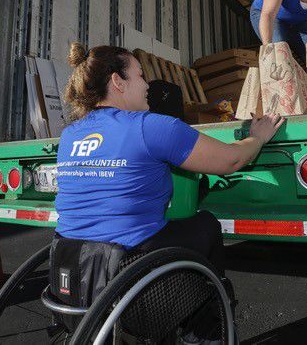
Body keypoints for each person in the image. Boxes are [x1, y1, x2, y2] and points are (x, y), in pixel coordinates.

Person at [55, 43, 285, 277]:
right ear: (118, 82)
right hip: (128, 262)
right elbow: (231, 161)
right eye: (140, 76)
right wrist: (258, 137)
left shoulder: (69, 135)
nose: (147, 85)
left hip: (73, 265)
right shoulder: (149, 127)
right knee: (206, 224)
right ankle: (208, 307)